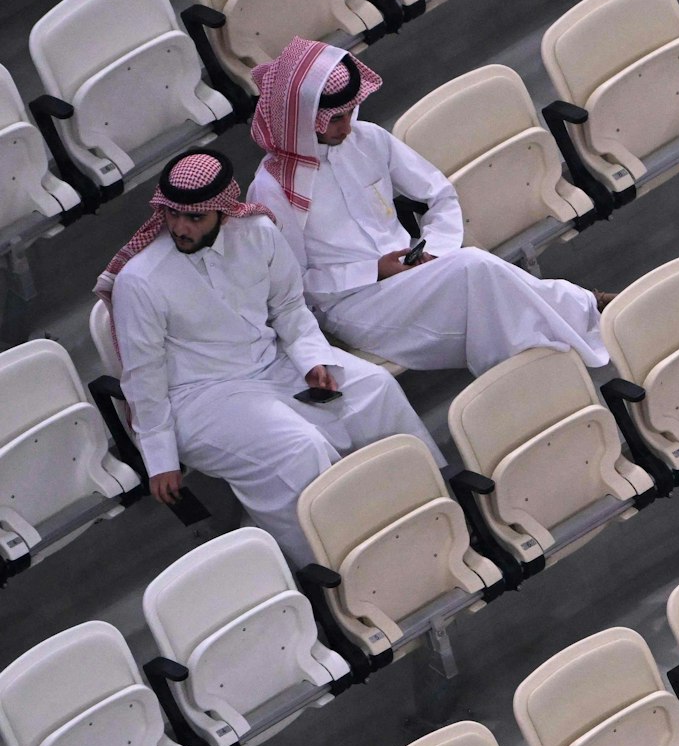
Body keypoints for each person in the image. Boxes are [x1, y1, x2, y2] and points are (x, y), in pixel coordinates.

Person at [97, 149, 442, 564]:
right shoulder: (141, 280)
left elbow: (289, 309)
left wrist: (312, 360)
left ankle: (429, 511)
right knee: (301, 449)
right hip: (200, 397)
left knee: (375, 388)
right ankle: (338, 564)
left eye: (194, 218)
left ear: (223, 213)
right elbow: (143, 377)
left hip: (273, 362)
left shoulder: (258, 232)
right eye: (172, 215)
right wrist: (160, 456)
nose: (179, 227)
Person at [245, 38, 612, 375]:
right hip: (354, 305)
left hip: (418, 278)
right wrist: (374, 271)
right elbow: (295, 286)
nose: (346, 127)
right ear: (303, 117)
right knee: (479, 271)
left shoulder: (368, 139)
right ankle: (589, 311)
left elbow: (440, 195)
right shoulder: (273, 187)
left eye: (349, 113)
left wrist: (432, 251)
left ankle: (552, 359)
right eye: (335, 118)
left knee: (489, 294)